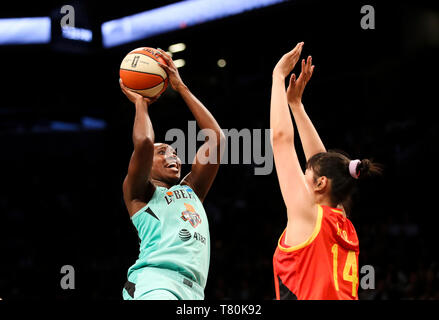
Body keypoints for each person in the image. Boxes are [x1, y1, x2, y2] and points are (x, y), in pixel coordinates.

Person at [270, 42, 382, 300]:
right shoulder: (340, 220)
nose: (302, 175)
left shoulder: (307, 215)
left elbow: (281, 140)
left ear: (321, 184)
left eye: (307, 173)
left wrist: (277, 76)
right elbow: (321, 160)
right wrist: (296, 106)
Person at [119, 49, 225, 300]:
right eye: (163, 152)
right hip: (155, 283)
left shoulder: (190, 191)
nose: (174, 157)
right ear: (146, 164)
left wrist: (182, 88)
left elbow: (217, 139)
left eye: (175, 153)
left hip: (194, 291)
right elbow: (144, 141)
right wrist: (141, 102)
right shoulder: (139, 195)